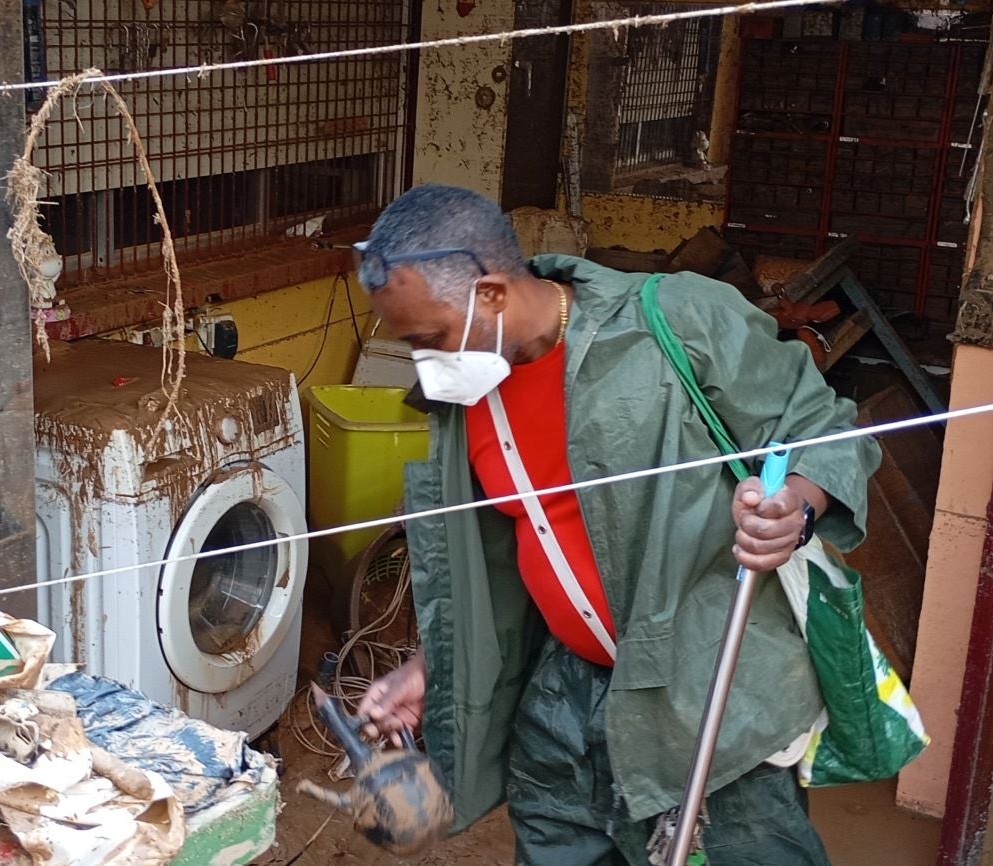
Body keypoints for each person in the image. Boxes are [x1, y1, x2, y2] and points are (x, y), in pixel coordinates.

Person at [351, 184, 880, 865]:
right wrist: (431, 665)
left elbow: (827, 430)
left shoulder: (676, 320)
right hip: (563, 698)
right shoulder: (468, 392)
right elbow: (506, 558)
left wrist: (798, 505)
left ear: (490, 294)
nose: (427, 363)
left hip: (706, 697)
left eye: (429, 339)